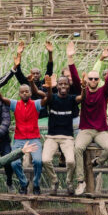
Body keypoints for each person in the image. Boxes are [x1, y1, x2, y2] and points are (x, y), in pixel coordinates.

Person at [71, 45, 108, 195]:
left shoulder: (103, 92)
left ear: (99, 80)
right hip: (85, 129)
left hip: (100, 130)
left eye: (95, 78)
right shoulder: (83, 92)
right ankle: (80, 181)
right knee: (78, 148)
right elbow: (75, 76)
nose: (92, 80)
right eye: (90, 78)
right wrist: (70, 58)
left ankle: (96, 162)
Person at [4, 46, 45, 193]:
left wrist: (37, 85)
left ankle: (36, 183)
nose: (25, 93)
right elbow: (19, 77)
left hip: (34, 138)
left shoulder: (36, 103)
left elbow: (46, 98)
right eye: (22, 91)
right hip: (20, 139)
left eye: (36, 74)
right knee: (14, 163)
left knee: (38, 161)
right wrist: (18, 60)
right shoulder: (16, 104)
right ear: (20, 93)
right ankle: (23, 183)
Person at [40, 52, 82, 194]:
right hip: (51, 137)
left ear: (68, 86)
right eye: (60, 84)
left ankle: (69, 182)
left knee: (71, 161)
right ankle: (54, 181)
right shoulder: (51, 99)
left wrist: (84, 86)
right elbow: (47, 96)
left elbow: (83, 97)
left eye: (65, 84)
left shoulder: (71, 99)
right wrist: (50, 87)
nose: (63, 86)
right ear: (57, 86)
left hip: (67, 138)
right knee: (45, 160)